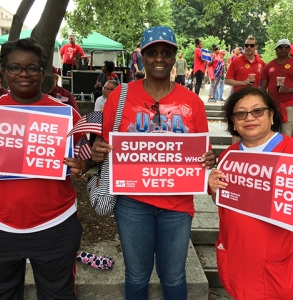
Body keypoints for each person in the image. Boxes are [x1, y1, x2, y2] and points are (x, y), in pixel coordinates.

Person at [91, 25, 215, 300]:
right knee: (136, 276)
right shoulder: (120, 96)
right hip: (132, 203)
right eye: (152, 52)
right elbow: (104, 144)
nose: (159, 58)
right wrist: (98, 150)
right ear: (142, 57)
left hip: (177, 206)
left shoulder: (192, 102)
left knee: (174, 278)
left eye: (166, 52)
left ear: (174, 57)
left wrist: (209, 158)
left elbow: (203, 153)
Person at [0, 38, 91, 299]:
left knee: (58, 294)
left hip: (55, 225)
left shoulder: (67, 115)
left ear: (42, 72)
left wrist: (82, 164)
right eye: (15, 67)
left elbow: (86, 157)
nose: (24, 74)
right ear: (4, 72)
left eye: (32, 68)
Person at [209, 86, 293, 300]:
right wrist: (212, 185)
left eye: (257, 111)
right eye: (241, 113)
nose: (249, 118)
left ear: (271, 115)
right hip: (238, 259)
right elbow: (223, 199)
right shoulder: (229, 155)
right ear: (233, 121)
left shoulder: (290, 151)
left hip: (279, 264)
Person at [225, 35, 265, 143]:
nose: (249, 47)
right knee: (237, 126)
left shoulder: (261, 63)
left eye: (251, 45)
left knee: (253, 127)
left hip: (255, 102)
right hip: (238, 100)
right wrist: (243, 82)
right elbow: (227, 80)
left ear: (256, 47)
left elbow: (266, 82)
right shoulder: (236, 61)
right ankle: (235, 153)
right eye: (246, 45)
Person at [260, 38, 293, 137]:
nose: (283, 49)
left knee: (287, 132)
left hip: (289, 105)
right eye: (280, 47)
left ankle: (287, 151)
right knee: (273, 132)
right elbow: (263, 87)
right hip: (273, 105)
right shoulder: (268, 66)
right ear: (276, 49)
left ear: (289, 49)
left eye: (286, 47)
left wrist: (289, 90)